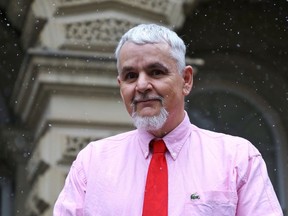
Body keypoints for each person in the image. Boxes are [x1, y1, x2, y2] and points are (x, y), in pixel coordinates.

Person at [53, 23, 283, 216]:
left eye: (156, 72)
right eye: (131, 76)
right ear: (120, 86)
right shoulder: (91, 164)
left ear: (186, 80)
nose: (142, 85)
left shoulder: (238, 159)